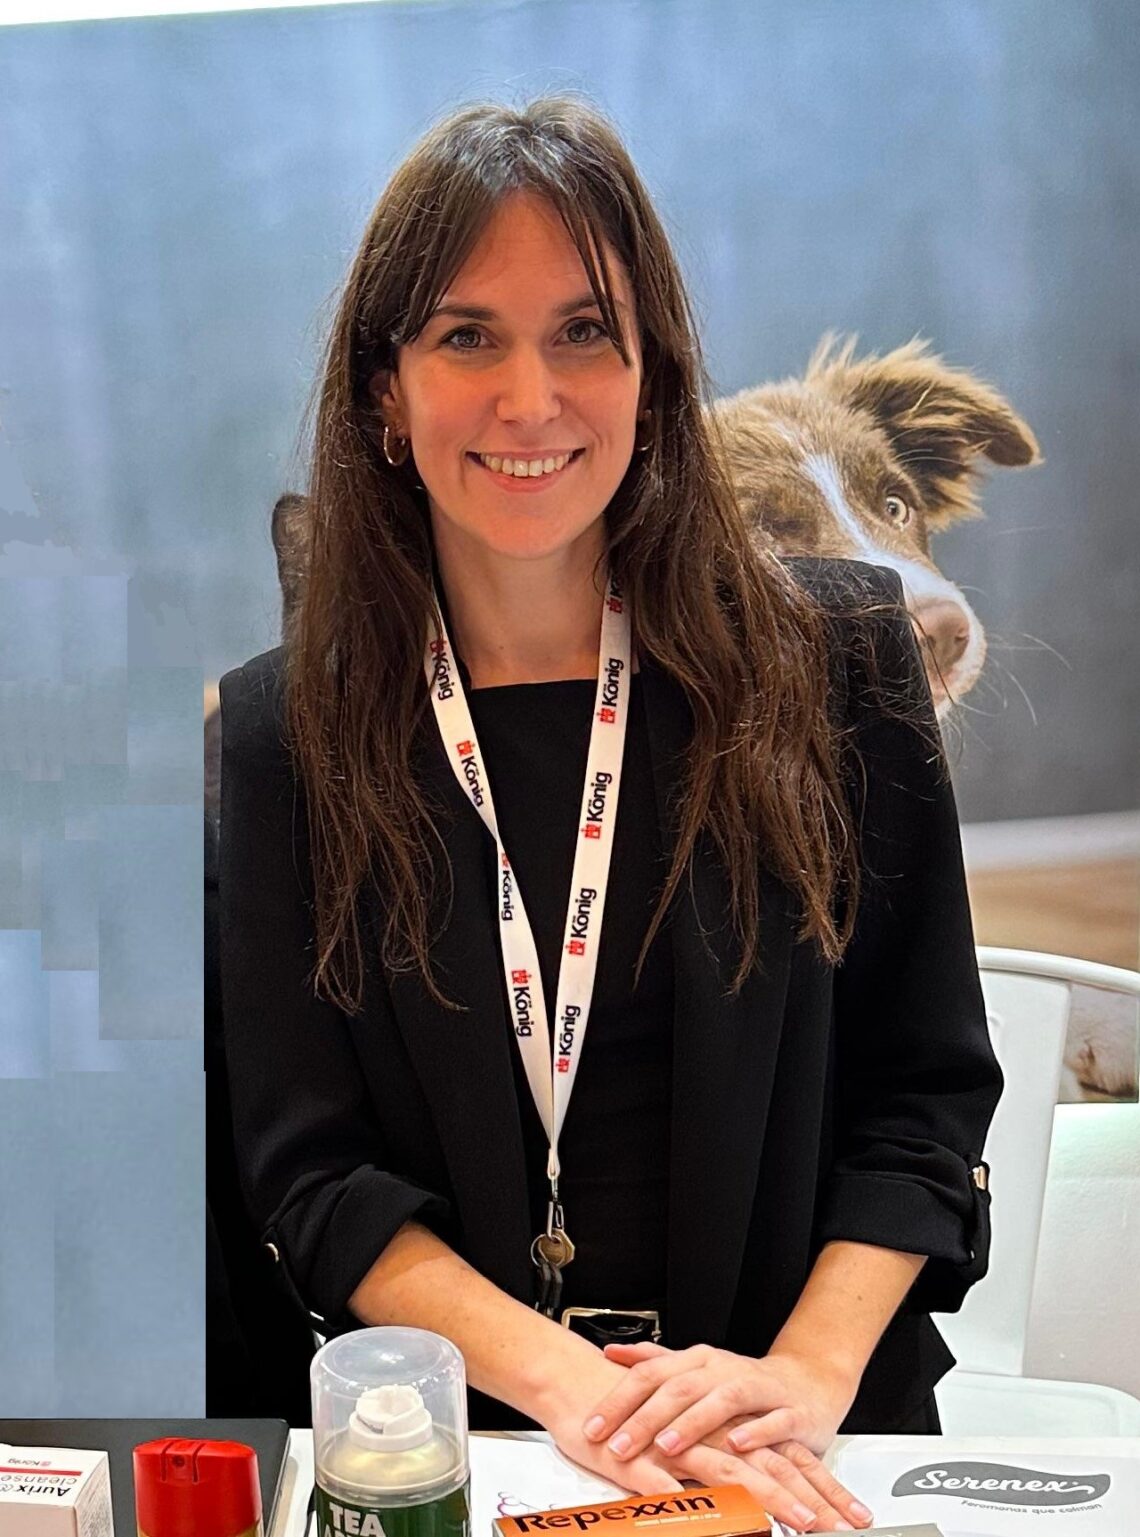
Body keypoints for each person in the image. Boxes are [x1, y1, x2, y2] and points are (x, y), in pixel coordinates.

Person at [218, 96, 1001, 1533]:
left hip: (809, 1440)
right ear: (385, 393)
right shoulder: (288, 733)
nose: (532, 399)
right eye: (469, 337)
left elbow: (926, 1102)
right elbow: (312, 1174)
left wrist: (800, 1375)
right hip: (476, 1450)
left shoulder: (841, 665)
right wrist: (578, 1390)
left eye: (585, 332)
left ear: (655, 374)